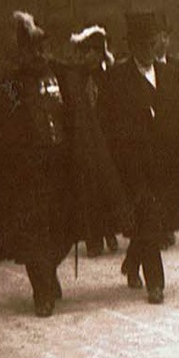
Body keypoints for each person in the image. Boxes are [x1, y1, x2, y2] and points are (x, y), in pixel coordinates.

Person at [0, 11, 130, 316]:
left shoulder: (60, 73)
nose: (39, 54)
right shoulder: (11, 84)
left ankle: (47, 270)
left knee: (64, 230)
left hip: (60, 166)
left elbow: (84, 72)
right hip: (28, 170)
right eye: (33, 49)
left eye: (42, 48)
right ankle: (42, 292)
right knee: (33, 234)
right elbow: (4, 125)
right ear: (23, 51)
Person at [102, 12, 179, 304]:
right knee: (147, 216)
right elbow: (108, 124)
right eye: (141, 44)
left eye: (151, 43)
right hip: (134, 165)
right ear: (130, 46)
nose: (147, 49)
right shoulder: (116, 79)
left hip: (166, 163)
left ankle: (132, 263)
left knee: (153, 220)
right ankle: (156, 283)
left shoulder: (171, 75)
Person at [68, 26, 128, 259]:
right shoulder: (77, 79)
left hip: (108, 140)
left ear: (101, 53)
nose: (87, 57)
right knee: (89, 190)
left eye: (92, 52)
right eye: (85, 53)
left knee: (108, 188)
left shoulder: (110, 78)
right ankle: (93, 237)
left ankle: (109, 231)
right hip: (85, 141)